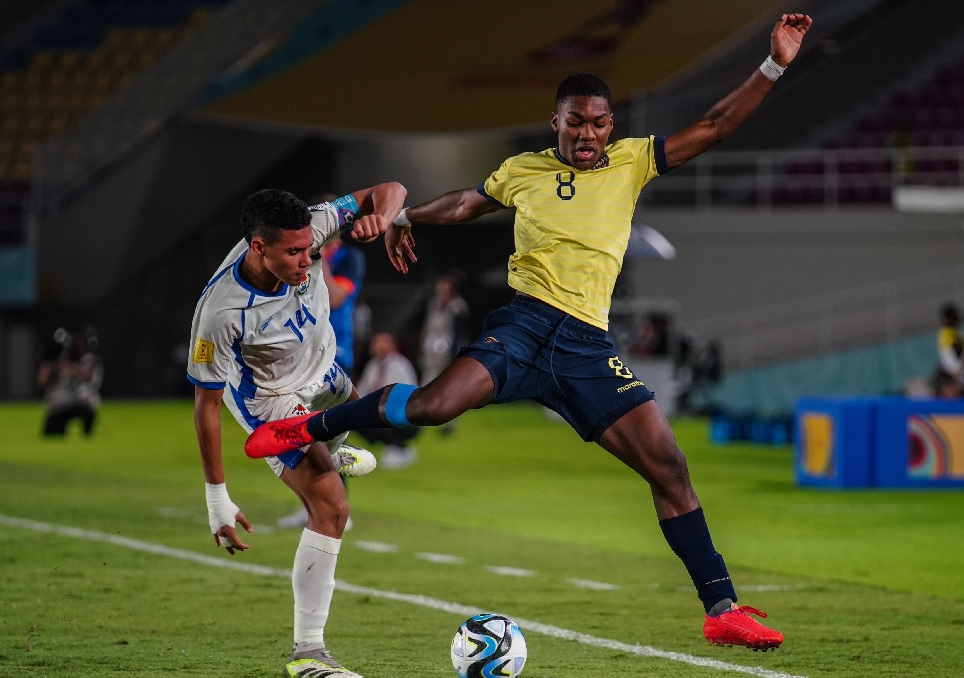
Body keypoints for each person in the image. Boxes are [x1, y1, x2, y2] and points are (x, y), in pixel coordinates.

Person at [246, 14, 812, 652]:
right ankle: (302, 428)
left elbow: (713, 126)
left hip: (588, 348)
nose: (590, 133)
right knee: (431, 406)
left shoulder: (633, 161)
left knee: (671, 469)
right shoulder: (525, 169)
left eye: (599, 122)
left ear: (610, 125)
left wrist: (775, 64)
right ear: (557, 123)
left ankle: (722, 610)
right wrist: (406, 216)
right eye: (577, 121)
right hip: (526, 325)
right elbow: (466, 202)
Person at [187, 182, 405, 678]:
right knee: (332, 507)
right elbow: (206, 405)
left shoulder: (316, 224)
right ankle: (309, 655)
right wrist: (216, 496)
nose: (308, 259)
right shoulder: (220, 314)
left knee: (363, 410)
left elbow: (391, 189)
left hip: (327, 375)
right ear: (258, 249)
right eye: (295, 252)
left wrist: (388, 217)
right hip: (274, 405)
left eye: (312, 248)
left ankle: (330, 448)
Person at [276, 197, 368, 530]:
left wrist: (318, 257)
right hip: (301, 357)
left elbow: (337, 296)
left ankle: (338, 507)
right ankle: (314, 504)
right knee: (302, 434)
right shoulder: (298, 259)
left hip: (336, 355)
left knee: (332, 435)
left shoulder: (349, 259)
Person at [355, 331, 421, 469]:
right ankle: (394, 446)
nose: (378, 346)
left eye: (382, 342)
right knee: (355, 419)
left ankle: (398, 448)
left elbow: (405, 395)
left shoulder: (400, 365)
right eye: (376, 342)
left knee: (379, 417)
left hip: (404, 414)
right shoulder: (372, 366)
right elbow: (361, 392)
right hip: (380, 410)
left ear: (392, 345)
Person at [417, 269, 470, 434]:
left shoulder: (458, 307)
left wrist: (458, 355)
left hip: (449, 353)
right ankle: (420, 417)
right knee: (426, 384)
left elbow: (461, 334)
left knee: (449, 388)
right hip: (431, 352)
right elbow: (427, 329)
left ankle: (449, 423)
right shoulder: (434, 304)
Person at [38, 324, 103, 437]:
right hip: (60, 404)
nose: (79, 344)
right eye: (77, 340)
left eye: (82, 340)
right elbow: (43, 381)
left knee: (87, 413)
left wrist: (66, 365)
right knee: (51, 436)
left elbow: (87, 375)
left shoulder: (89, 359)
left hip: (81, 402)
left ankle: (87, 436)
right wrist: (53, 365)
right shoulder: (57, 359)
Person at [937, 301, 963, 387]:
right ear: (949, 318)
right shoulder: (946, 333)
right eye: (955, 316)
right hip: (957, 373)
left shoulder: (955, 333)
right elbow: (950, 355)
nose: (958, 318)